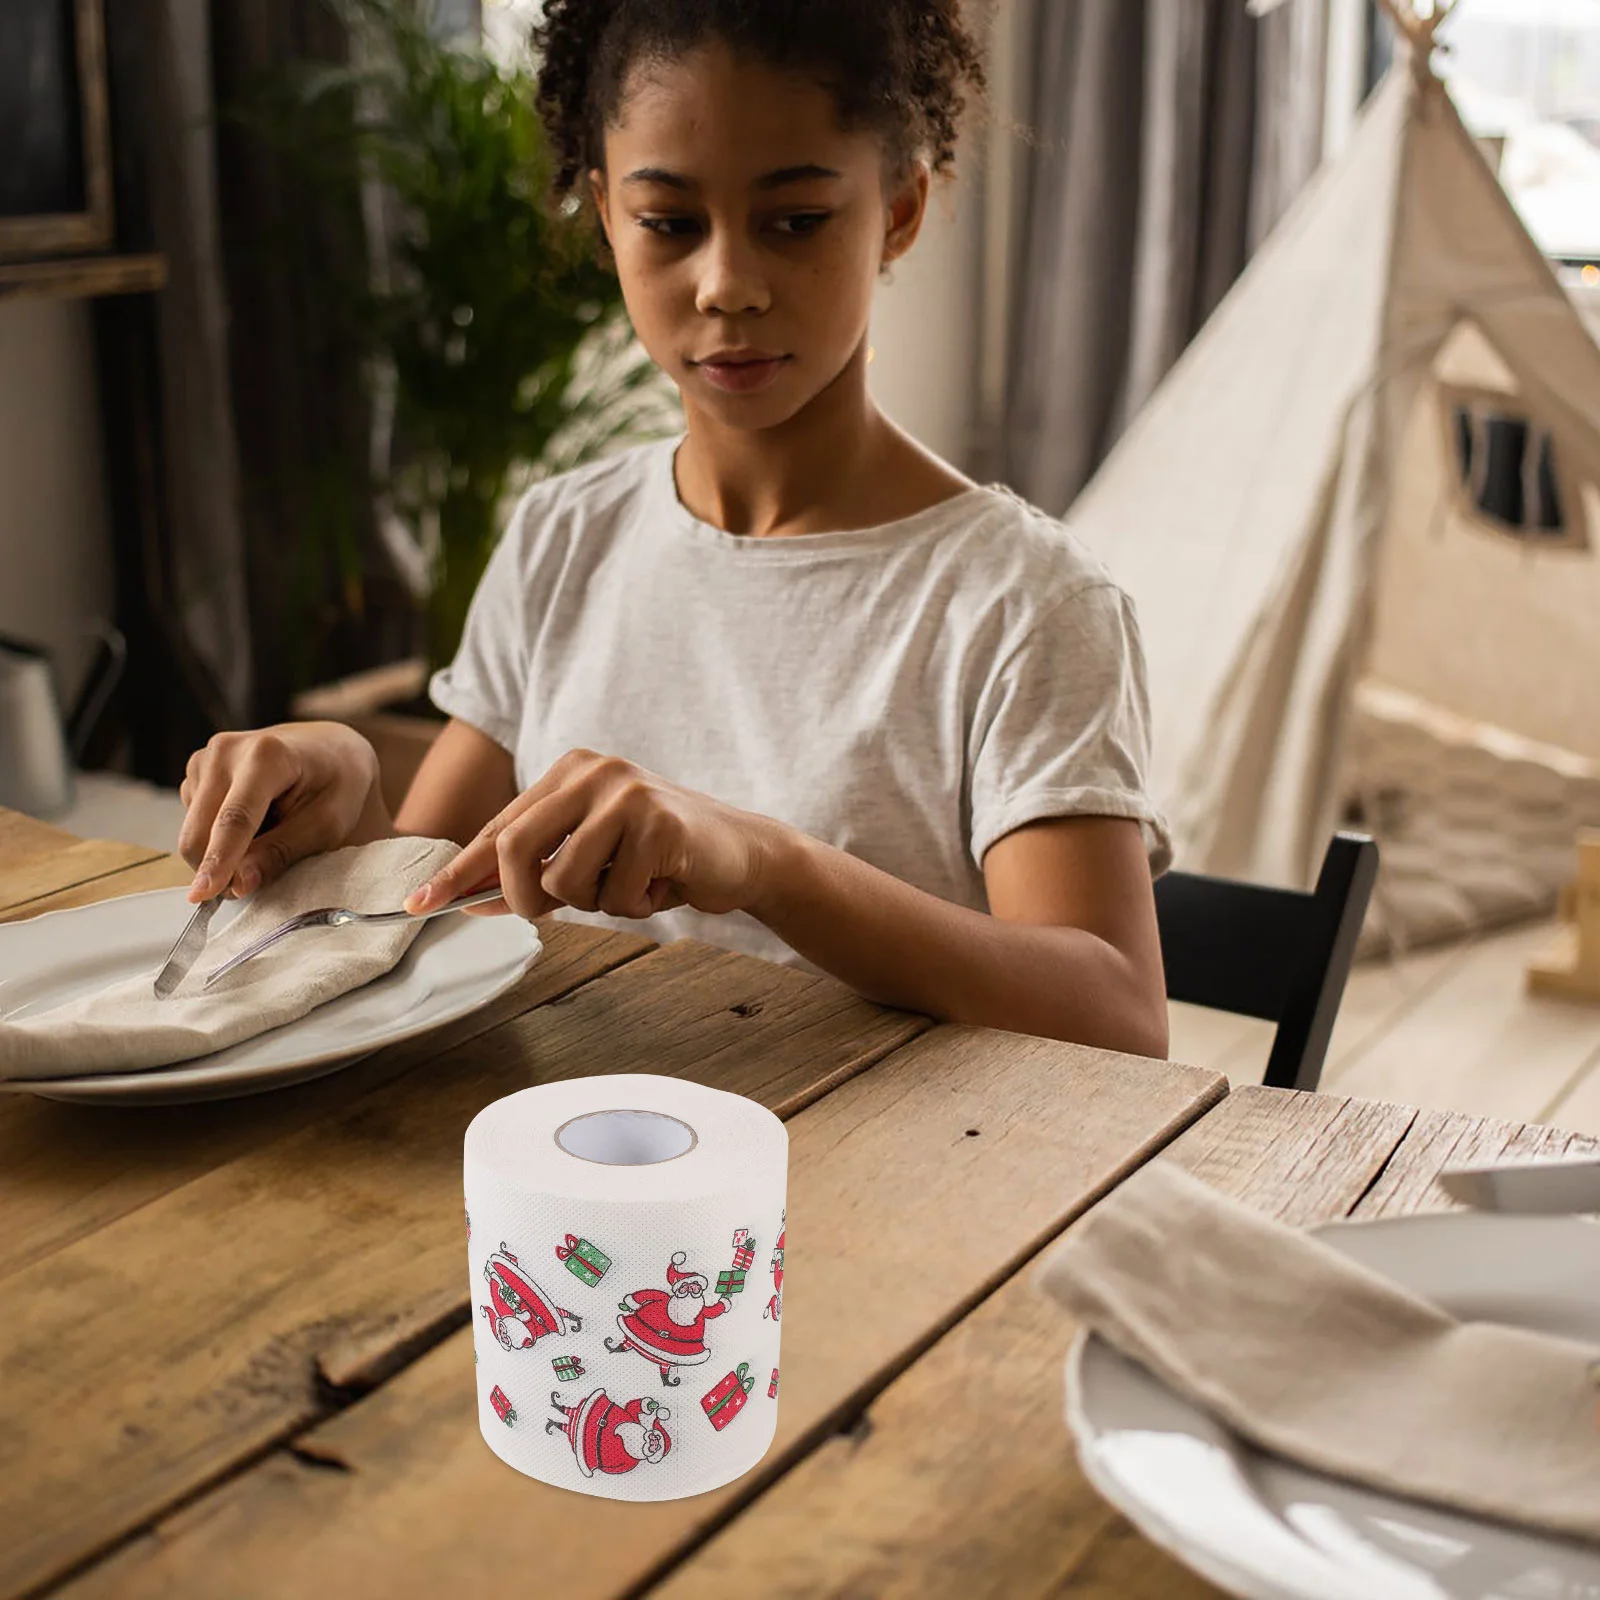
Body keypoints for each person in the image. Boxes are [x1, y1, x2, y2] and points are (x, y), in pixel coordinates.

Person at [175, 0, 1172, 1056]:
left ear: (899, 208)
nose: (727, 284)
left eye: (795, 221)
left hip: (890, 1195)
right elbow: (427, 909)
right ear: (605, 213)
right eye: (669, 222)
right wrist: (346, 781)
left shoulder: (1024, 603)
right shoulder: (567, 535)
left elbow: (1115, 1017)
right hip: (571, 1163)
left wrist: (766, 864)